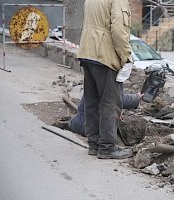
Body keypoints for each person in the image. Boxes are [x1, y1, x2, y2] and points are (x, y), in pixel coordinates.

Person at [77, 0, 133, 159]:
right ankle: (107, 148)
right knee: (110, 103)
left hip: (87, 51)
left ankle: (94, 145)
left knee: (92, 101)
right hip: (104, 54)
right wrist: (126, 57)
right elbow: (119, 30)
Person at [68, 92, 142, 137]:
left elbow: (104, 99)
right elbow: (117, 98)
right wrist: (136, 98)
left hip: (76, 123)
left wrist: (115, 111)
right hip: (91, 129)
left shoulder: (95, 73)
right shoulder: (108, 76)